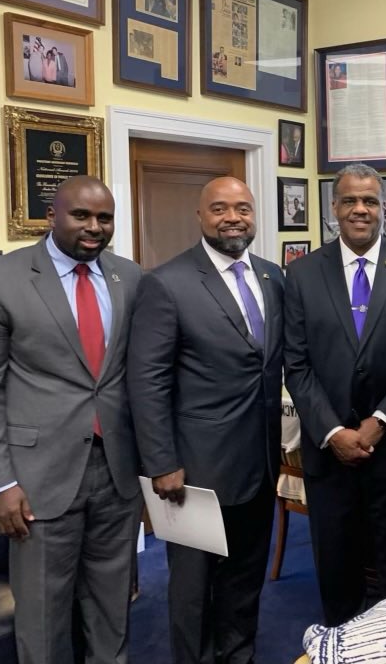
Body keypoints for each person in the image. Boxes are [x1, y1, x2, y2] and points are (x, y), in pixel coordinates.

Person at [0, 175, 143, 663]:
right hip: (37, 480)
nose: (94, 227)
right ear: (51, 217)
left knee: (112, 608)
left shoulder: (130, 277)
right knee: (43, 617)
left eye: (104, 218)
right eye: (81, 215)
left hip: (116, 471)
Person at [127, 176, 284, 664]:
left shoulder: (273, 277)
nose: (232, 218)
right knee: (193, 586)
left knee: (245, 574)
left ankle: (238, 654)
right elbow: (147, 381)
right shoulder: (166, 283)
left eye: (242, 208)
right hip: (194, 471)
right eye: (219, 208)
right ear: (200, 216)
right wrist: (161, 462)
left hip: (259, 461)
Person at [284, 162, 386, 626]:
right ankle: (342, 641)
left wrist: (378, 422)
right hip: (328, 451)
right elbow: (297, 363)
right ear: (334, 208)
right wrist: (333, 430)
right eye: (350, 200)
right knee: (335, 559)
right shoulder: (303, 272)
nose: (360, 209)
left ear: (383, 208)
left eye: (370, 200)